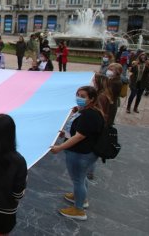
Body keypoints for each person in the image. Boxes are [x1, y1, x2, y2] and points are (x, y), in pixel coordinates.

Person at [50, 86, 105, 221]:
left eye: (83, 96)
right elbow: (79, 132)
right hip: (85, 152)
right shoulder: (88, 111)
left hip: (81, 153)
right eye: (78, 95)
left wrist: (60, 147)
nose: (79, 98)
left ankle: (79, 210)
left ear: (91, 99)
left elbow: (79, 136)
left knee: (78, 180)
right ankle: (81, 198)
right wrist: (66, 134)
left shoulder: (89, 115)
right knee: (81, 178)